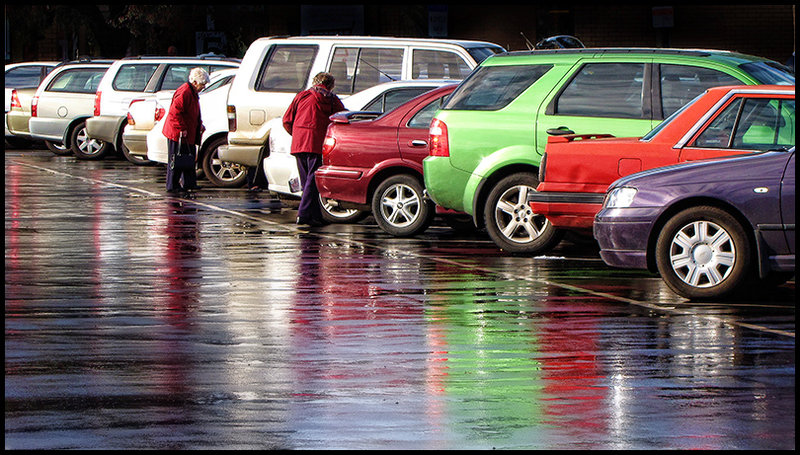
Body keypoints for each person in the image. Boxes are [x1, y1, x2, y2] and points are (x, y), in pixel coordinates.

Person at [282, 72, 345, 226]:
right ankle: (303, 214)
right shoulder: (331, 99)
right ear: (330, 85)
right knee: (313, 180)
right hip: (317, 143)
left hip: (299, 143)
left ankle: (315, 215)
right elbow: (342, 117)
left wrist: (297, 134)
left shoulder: (301, 96)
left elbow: (286, 120)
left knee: (307, 182)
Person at [162, 67, 209, 194]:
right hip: (178, 133)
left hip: (188, 133)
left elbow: (193, 113)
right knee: (177, 159)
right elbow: (174, 113)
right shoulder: (185, 92)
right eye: (202, 84)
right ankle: (172, 185)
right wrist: (181, 128)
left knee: (188, 158)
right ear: (195, 82)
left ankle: (190, 183)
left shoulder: (191, 92)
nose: (203, 87)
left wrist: (199, 125)